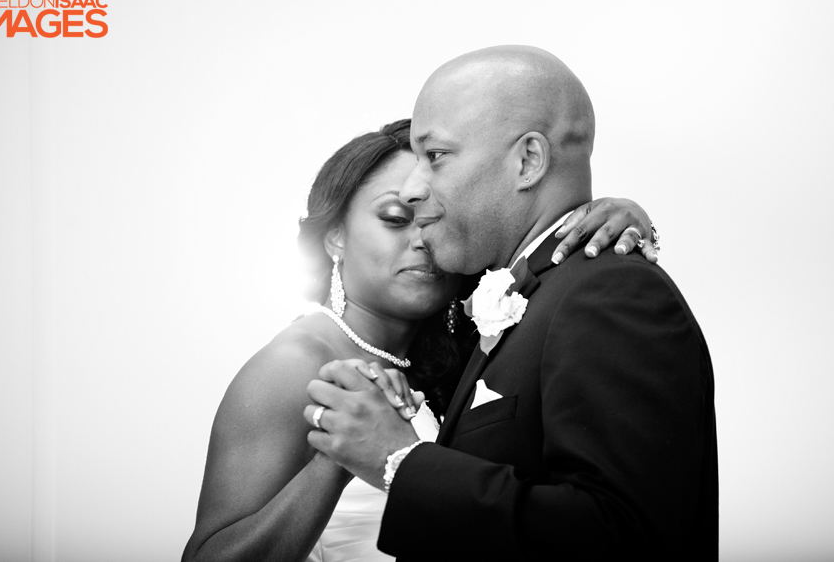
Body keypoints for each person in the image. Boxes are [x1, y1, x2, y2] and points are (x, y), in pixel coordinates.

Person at [305, 46, 717, 561]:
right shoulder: (519, 295)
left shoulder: (607, 294)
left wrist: (400, 462)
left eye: (435, 157)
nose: (412, 190)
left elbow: (627, 538)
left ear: (528, 161)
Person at [182, 118, 657, 562]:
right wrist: (339, 455)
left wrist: (611, 218)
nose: (421, 239)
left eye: (436, 219)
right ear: (335, 238)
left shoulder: (468, 353)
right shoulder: (297, 363)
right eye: (394, 218)